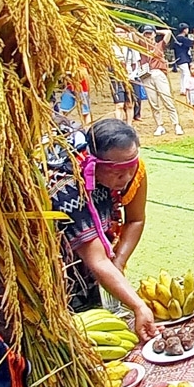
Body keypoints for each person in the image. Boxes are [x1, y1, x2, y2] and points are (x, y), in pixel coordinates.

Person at [48, 119, 158, 340]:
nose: (127, 178)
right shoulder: (68, 191)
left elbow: (135, 219)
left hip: (93, 273)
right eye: (117, 171)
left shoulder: (123, 175)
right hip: (61, 279)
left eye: (131, 167)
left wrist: (117, 262)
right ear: (93, 164)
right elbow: (96, 260)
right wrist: (138, 306)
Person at [140, 25, 184, 136]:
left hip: (158, 73)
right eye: (146, 33)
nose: (148, 36)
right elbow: (132, 35)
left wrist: (156, 31)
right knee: (153, 102)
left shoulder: (159, 45)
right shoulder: (141, 46)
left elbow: (168, 32)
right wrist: (143, 35)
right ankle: (159, 125)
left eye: (150, 33)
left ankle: (176, 124)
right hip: (146, 75)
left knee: (167, 99)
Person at [171, 23, 194, 89]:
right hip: (183, 58)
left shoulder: (176, 38)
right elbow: (192, 42)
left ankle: (182, 88)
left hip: (178, 58)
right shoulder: (182, 38)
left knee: (182, 74)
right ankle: (186, 88)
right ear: (184, 30)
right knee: (187, 73)